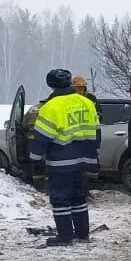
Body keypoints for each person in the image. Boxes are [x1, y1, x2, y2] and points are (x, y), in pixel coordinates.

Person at [30, 68, 100, 245]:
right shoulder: (86, 103)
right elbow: (97, 132)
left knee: (60, 199)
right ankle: (83, 234)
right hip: (83, 161)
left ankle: (65, 236)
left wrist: (35, 159)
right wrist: (93, 157)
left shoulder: (50, 107)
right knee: (78, 198)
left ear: (50, 85)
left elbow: (41, 138)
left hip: (61, 162)